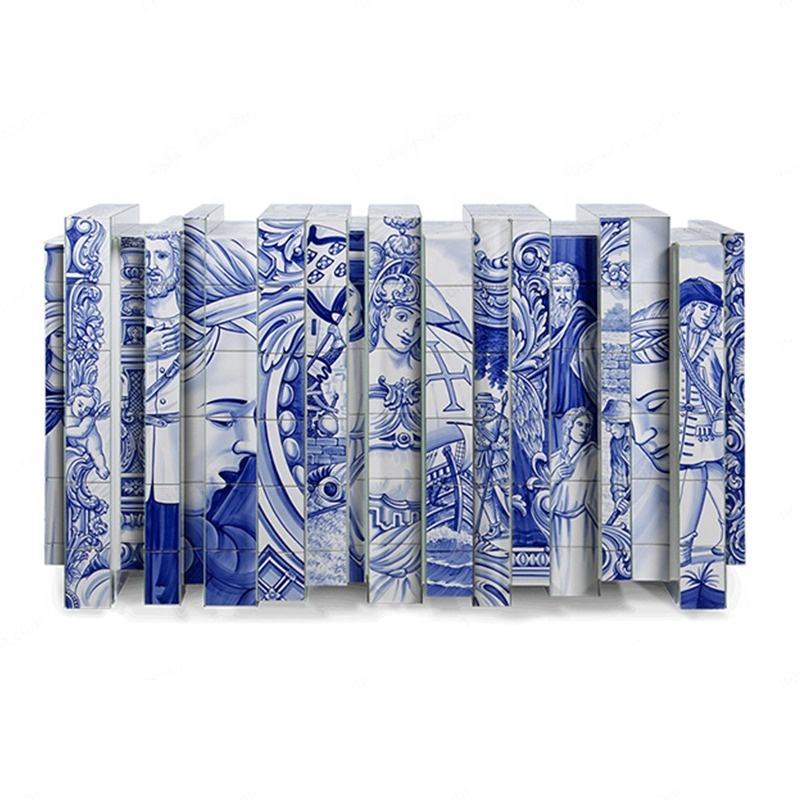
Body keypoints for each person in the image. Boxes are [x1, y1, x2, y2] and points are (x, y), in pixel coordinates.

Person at [677, 277, 725, 565]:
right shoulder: (676, 337)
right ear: (690, 308)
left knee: (699, 473)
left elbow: (719, 384)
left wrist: (714, 418)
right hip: (681, 423)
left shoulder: (715, 344)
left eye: (712, 309)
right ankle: (726, 531)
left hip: (706, 423)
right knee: (712, 472)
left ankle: (685, 543)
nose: (707, 314)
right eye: (702, 307)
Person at [474, 392, 510, 538]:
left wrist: (499, 445)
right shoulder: (475, 422)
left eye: (481, 406)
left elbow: (509, 440)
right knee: (484, 493)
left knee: (507, 488)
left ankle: (514, 522)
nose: (478, 409)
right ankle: (495, 526)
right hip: (480, 459)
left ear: (489, 407)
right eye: (476, 406)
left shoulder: (500, 420)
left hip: (497, 459)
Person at [602, 398, 631, 521]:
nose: (607, 429)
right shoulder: (616, 444)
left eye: (611, 423)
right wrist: (619, 497)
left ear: (624, 423)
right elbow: (618, 474)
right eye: (606, 423)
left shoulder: (643, 442)